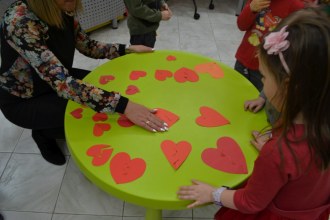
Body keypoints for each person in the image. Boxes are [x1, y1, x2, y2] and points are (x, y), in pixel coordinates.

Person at [177, 8, 330, 220]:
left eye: (265, 78)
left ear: (288, 87)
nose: (263, 84)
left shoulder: (278, 153)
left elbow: (250, 202)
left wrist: (213, 193)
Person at [0, 0, 168, 166]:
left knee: (104, 98)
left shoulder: (64, 5)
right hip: (24, 99)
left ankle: (47, 125)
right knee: (93, 114)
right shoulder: (18, 22)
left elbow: (87, 45)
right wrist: (125, 106)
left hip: (54, 77)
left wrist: (125, 49)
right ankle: (43, 133)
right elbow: (64, 84)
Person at [234, 0, 304, 92]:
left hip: (267, 71)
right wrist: (251, 9)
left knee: (257, 101)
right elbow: (241, 25)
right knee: (235, 92)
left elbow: (296, 42)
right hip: (243, 60)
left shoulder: (295, 5)